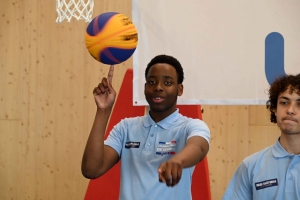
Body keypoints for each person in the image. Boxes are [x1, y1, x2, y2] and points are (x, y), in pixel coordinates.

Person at [81, 54, 210, 200]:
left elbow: (199, 147)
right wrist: (103, 110)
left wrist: (178, 160)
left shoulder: (191, 126)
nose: (158, 87)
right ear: (144, 88)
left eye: (167, 83)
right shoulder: (125, 127)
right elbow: (91, 169)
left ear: (179, 89)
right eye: (152, 82)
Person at [222, 73, 300, 200]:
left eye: (299, 104)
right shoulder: (250, 166)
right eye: (284, 102)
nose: (290, 110)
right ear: (274, 108)